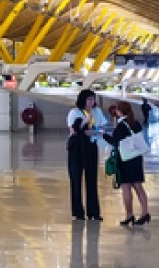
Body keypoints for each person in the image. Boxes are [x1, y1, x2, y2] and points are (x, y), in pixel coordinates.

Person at [102, 101, 150, 226]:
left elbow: (115, 142)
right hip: (136, 158)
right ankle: (145, 213)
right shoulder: (136, 123)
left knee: (126, 188)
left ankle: (129, 215)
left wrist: (104, 135)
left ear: (119, 111)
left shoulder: (120, 126)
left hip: (125, 159)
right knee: (138, 187)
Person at [67, 88, 102, 221]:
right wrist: (85, 121)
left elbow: (103, 127)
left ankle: (93, 212)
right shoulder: (74, 112)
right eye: (89, 99)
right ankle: (78, 212)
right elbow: (73, 130)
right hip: (77, 149)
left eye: (93, 99)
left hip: (91, 146)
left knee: (92, 180)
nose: (91, 102)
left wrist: (94, 132)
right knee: (76, 180)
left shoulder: (97, 112)